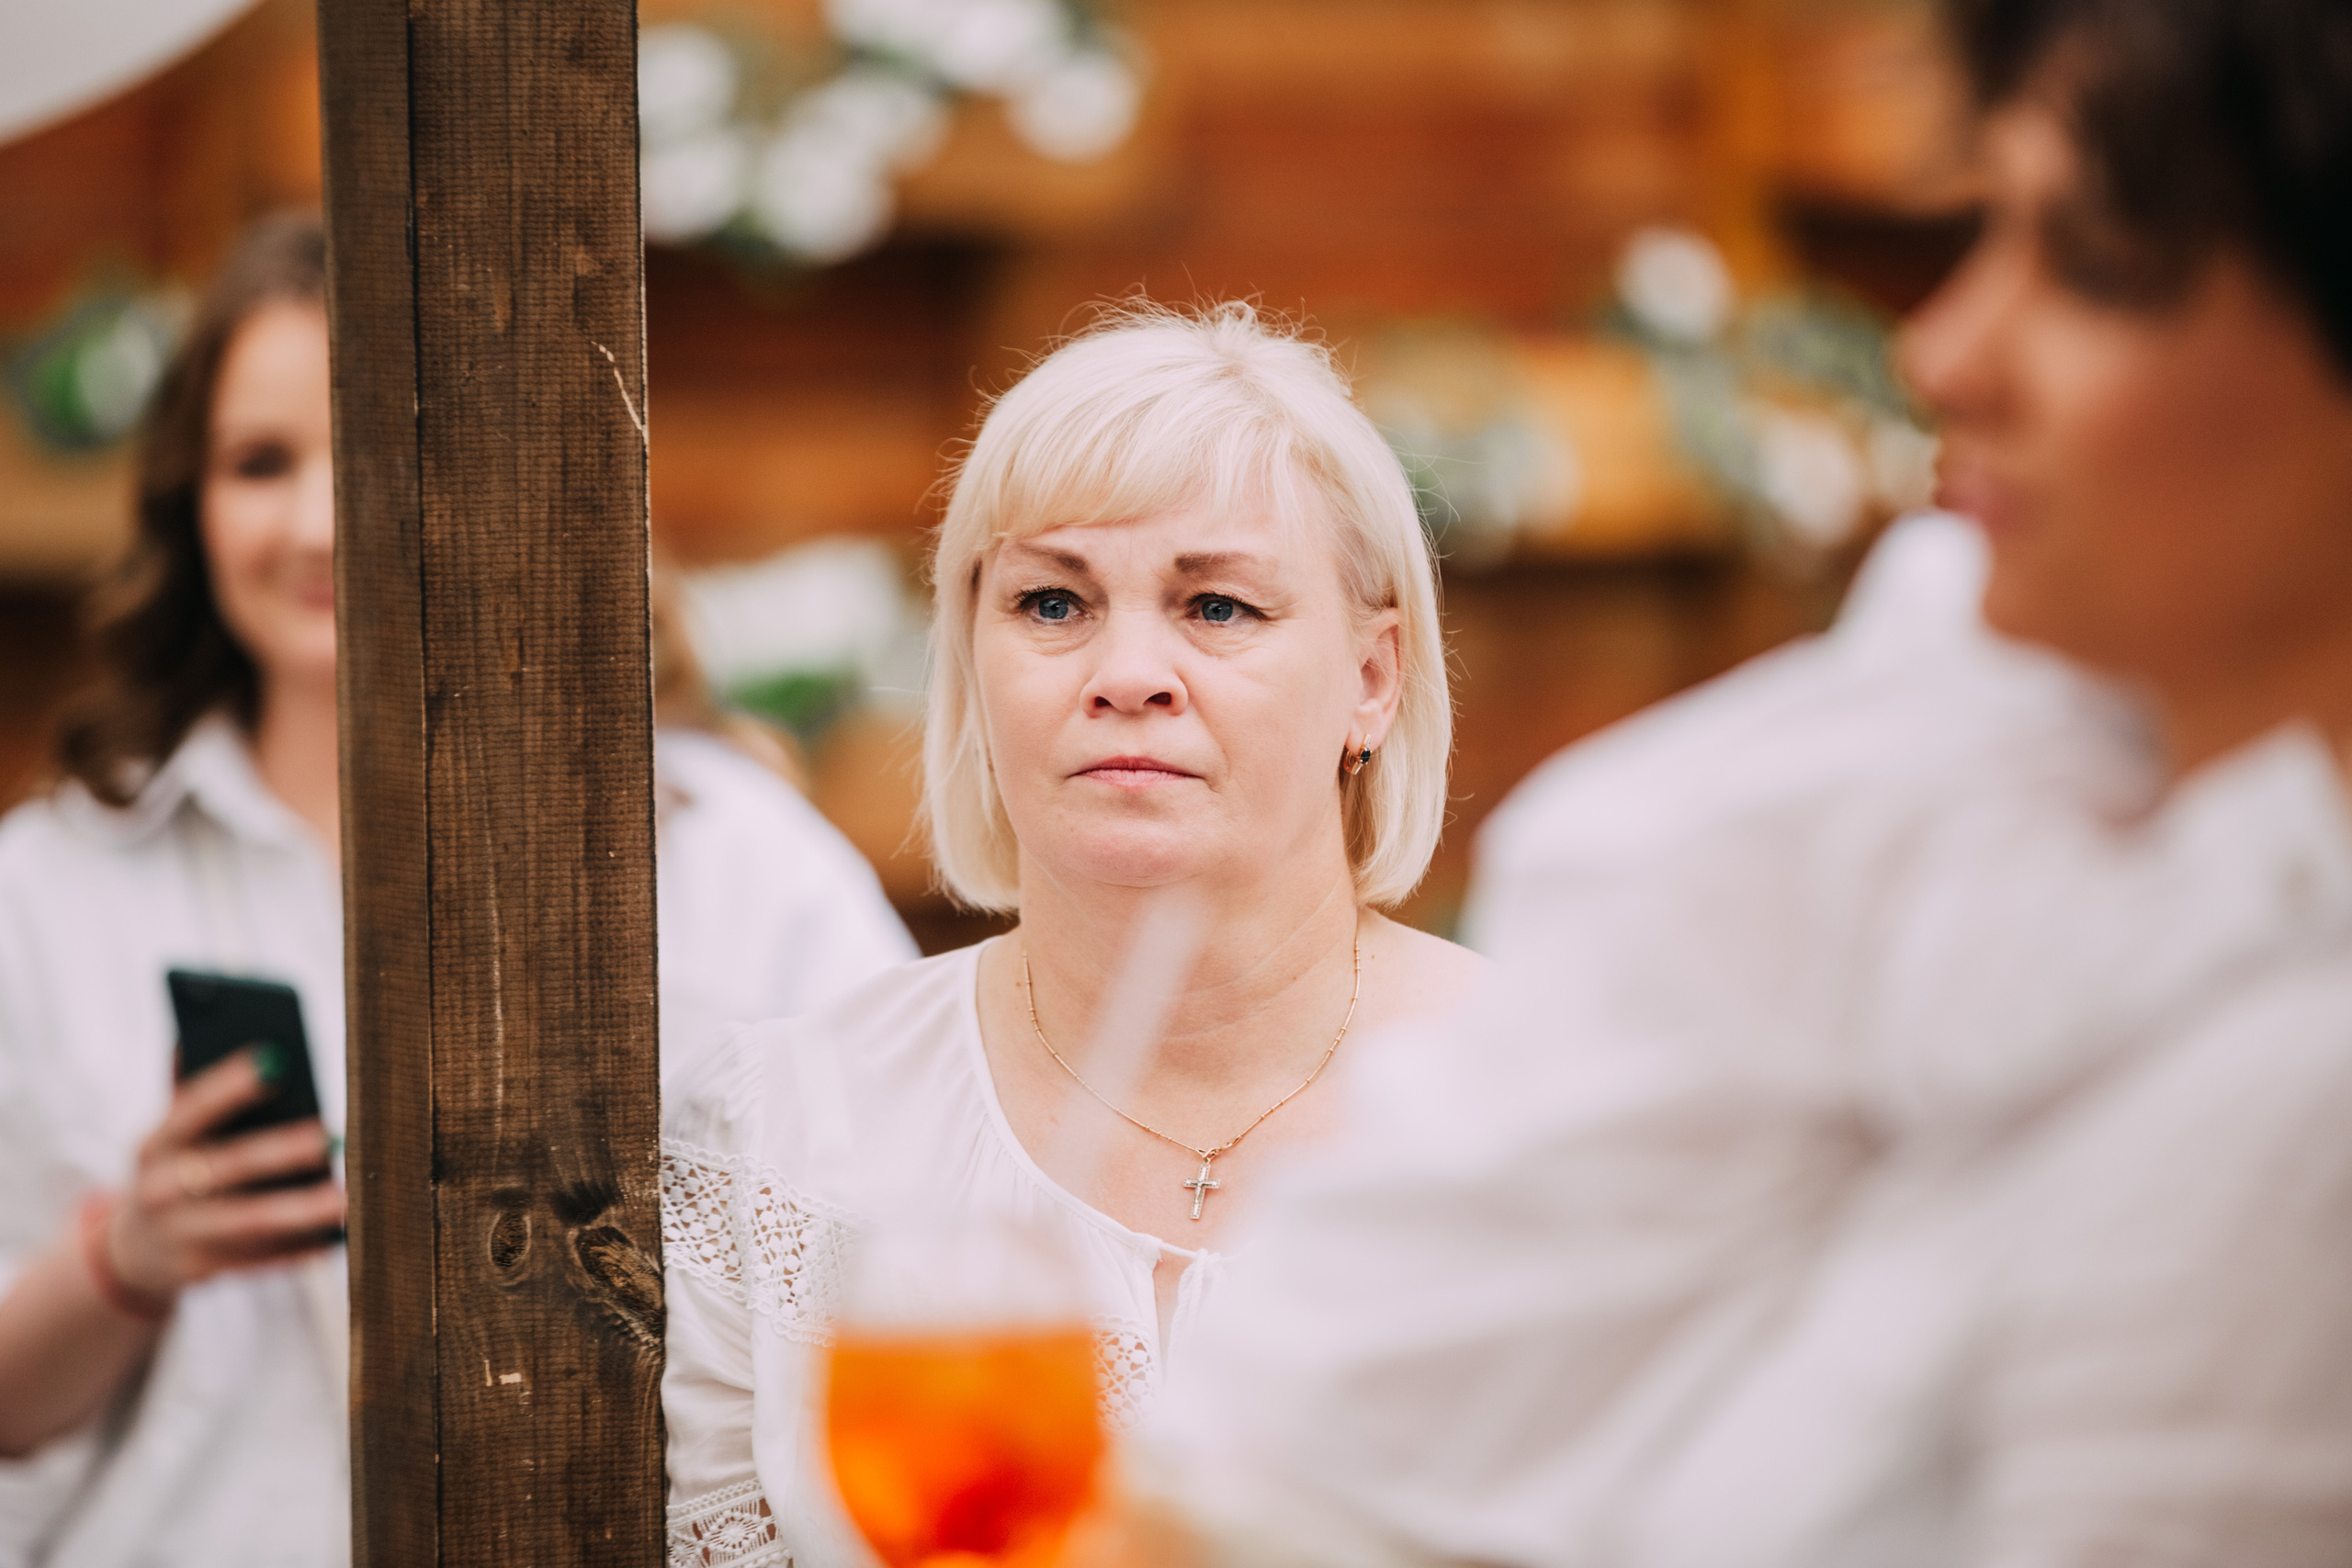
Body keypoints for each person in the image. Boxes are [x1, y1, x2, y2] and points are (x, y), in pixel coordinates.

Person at [1136, 0, 2352, 1562]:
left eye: (2099, 264)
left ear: (1375, 678)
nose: (1946, 353)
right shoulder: (1996, 787)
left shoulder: (2284, 1096)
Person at [0, 214, 913, 1568]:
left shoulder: (733, 854)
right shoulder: (50, 889)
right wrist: (126, 1257)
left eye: (376, 448)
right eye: (259, 463)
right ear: (188, 500)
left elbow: (918, 1261)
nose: (317, 522)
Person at [658, 302, 1485, 1568]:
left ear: (1372, 680)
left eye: (1218, 607)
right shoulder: (784, 1130)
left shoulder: (1549, 1106)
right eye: (1052, 602)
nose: (1127, 672)